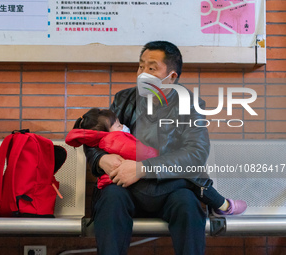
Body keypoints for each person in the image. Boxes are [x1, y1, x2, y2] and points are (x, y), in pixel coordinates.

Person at [81, 41, 245, 255]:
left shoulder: (189, 104)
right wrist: (101, 160)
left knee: (188, 205)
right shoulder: (124, 99)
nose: (142, 73)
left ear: (172, 76)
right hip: (126, 189)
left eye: (151, 68)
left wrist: (142, 168)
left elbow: (196, 153)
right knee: (111, 199)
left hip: (171, 188)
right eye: (141, 67)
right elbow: (93, 138)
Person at [65, 107, 247, 212]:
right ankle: (222, 205)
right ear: (107, 131)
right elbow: (148, 155)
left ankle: (220, 204)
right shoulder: (116, 140)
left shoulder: (105, 140)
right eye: (119, 125)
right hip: (143, 189)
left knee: (188, 176)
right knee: (192, 176)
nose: (124, 126)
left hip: (137, 185)